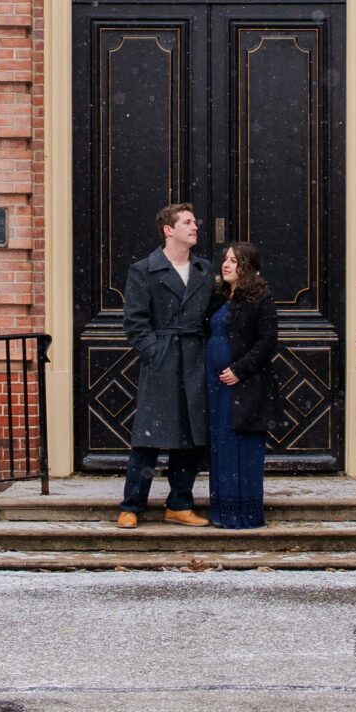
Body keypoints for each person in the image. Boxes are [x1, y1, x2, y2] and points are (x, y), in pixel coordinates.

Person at [117, 202, 214, 528]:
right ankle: (131, 506)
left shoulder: (204, 270)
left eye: (194, 222)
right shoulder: (144, 269)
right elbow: (135, 321)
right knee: (148, 437)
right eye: (187, 222)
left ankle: (180, 504)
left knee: (190, 437)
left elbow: (213, 316)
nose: (194, 227)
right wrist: (155, 353)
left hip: (196, 360)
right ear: (168, 229)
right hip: (162, 361)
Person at [206, 240, 282, 530]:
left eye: (234, 261)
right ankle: (222, 512)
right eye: (225, 259)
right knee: (221, 445)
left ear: (246, 267)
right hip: (215, 384)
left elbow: (267, 342)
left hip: (244, 385)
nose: (226, 264)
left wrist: (239, 370)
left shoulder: (261, 298)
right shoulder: (220, 297)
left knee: (243, 446)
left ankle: (244, 515)